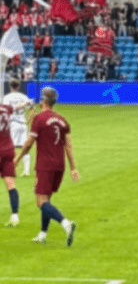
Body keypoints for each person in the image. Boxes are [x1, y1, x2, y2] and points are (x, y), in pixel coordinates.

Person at [15, 87, 80, 246]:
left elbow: (28, 144)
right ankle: (42, 234)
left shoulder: (39, 118)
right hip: (59, 165)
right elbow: (68, 146)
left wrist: (17, 159)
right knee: (47, 200)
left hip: (45, 165)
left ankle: (66, 223)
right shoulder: (63, 120)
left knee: (40, 201)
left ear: (44, 100)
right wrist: (73, 168)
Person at [3, 79, 35, 177]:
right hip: (23, 124)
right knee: (24, 147)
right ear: (18, 87)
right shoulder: (24, 97)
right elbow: (33, 109)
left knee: (11, 147)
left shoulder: (7, 97)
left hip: (13, 123)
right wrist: (27, 121)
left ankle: (13, 169)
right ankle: (26, 170)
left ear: (10, 87)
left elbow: (5, 110)